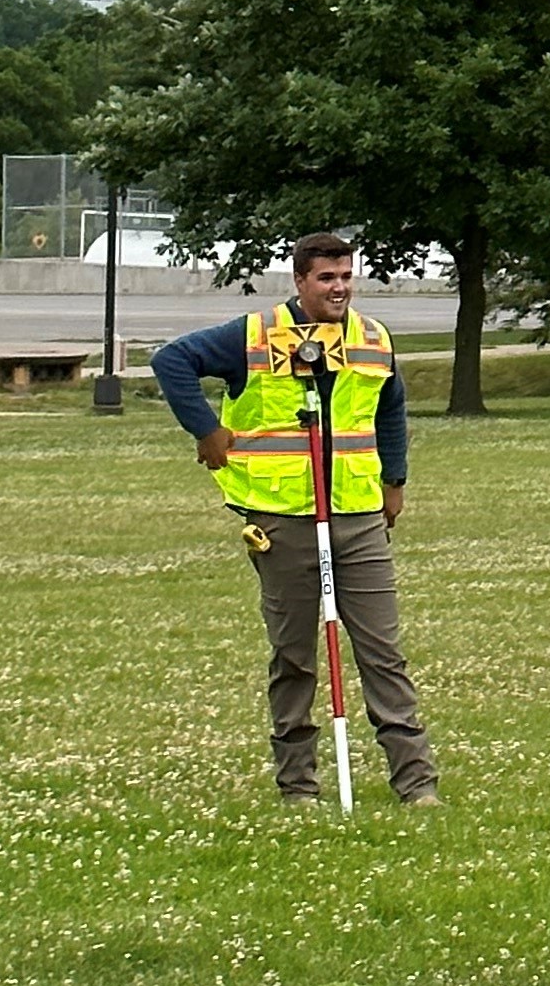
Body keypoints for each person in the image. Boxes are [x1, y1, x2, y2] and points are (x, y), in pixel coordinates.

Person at [148, 231, 438, 806]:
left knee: (383, 651)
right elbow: (172, 360)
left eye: (346, 276)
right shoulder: (254, 336)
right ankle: (298, 785)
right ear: (301, 281)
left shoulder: (374, 340)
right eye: (327, 278)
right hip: (283, 519)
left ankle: (417, 784)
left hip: (357, 516)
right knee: (294, 654)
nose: (340, 287)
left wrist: (394, 481)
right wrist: (207, 432)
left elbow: (392, 411)